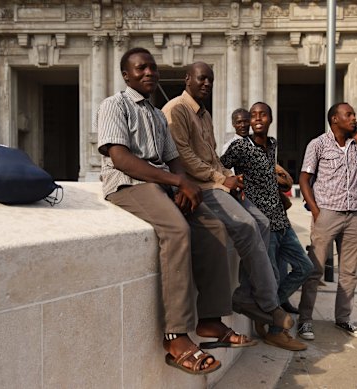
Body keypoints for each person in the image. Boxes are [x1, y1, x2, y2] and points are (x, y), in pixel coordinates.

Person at [95, 48, 255, 375]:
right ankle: (176, 336)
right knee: (177, 231)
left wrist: (182, 184)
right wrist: (177, 182)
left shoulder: (156, 114)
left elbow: (174, 160)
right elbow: (121, 158)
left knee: (213, 227)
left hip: (160, 184)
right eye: (141, 69)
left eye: (152, 68)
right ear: (126, 75)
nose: (149, 73)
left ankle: (210, 320)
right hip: (127, 184)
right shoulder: (114, 105)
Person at [162, 61, 294, 334]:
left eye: (210, 80)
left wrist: (228, 177)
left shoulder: (205, 115)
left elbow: (212, 157)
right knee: (245, 226)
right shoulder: (176, 109)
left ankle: (247, 293)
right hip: (201, 187)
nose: (207, 84)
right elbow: (184, 157)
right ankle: (270, 304)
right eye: (201, 79)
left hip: (217, 183)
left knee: (263, 221)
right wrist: (222, 179)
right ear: (187, 79)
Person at [221, 102, 314, 351]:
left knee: (305, 267)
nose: (257, 118)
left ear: (271, 118)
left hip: (281, 220)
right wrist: (230, 184)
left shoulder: (271, 144)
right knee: (271, 277)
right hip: (262, 223)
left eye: (262, 114)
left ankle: (263, 312)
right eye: (253, 115)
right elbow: (220, 165)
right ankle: (275, 328)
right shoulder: (240, 146)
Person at [298, 102, 357, 340]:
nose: (354, 118)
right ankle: (305, 321)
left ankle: (343, 319)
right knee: (315, 271)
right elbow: (304, 179)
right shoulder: (318, 144)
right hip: (327, 214)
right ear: (334, 119)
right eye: (349, 114)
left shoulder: (355, 146)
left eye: (354, 114)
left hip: (353, 214)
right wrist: (315, 211)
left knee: (349, 272)